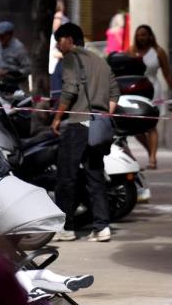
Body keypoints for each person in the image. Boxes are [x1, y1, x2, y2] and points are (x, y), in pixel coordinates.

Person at [50, 23, 120, 243]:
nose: (58, 46)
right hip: (98, 127)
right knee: (95, 177)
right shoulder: (100, 61)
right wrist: (101, 117)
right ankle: (102, 227)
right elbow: (115, 93)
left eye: (59, 41)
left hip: (78, 124)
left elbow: (69, 90)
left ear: (69, 40)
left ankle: (66, 228)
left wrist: (57, 118)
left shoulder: (71, 58)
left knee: (66, 177)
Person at [130, 25, 172, 170]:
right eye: (139, 35)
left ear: (150, 36)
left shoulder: (158, 52)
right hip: (136, 90)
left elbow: (167, 73)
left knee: (151, 125)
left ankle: (152, 158)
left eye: (144, 34)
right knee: (136, 128)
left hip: (153, 90)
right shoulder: (131, 51)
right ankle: (150, 152)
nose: (141, 37)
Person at [0, 21, 31, 90]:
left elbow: (28, 69)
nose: (0, 38)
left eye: (3, 35)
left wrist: (9, 72)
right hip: (3, 84)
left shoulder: (19, 48)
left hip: (19, 85)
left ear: (10, 34)